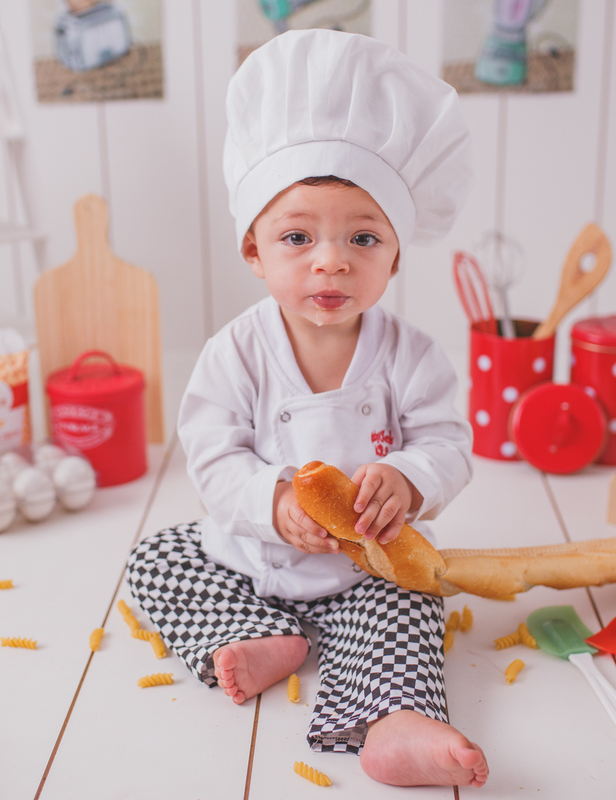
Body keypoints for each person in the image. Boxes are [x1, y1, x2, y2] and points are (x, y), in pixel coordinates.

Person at [126, 29, 487, 788]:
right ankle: (263, 637)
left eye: (363, 237)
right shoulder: (235, 352)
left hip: (367, 570)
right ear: (254, 251)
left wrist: (410, 478)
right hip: (250, 560)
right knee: (155, 558)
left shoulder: (412, 354)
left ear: (395, 255)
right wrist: (274, 500)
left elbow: (449, 444)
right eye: (298, 236)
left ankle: (395, 722)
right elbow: (214, 456)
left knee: (414, 605)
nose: (332, 260)